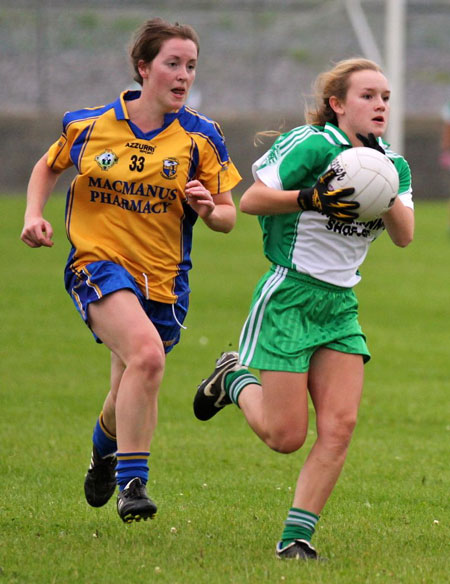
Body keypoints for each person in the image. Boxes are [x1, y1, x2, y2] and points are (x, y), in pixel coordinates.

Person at [21, 17, 241, 524]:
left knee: (129, 384)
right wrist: (35, 215)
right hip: (96, 266)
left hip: (164, 283)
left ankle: (103, 452)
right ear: (143, 68)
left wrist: (209, 209)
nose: (183, 75)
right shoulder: (90, 124)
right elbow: (48, 165)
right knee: (147, 356)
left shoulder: (202, 137)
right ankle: (132, 483)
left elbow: (229, 217)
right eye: (172, 64)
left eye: (191, 66)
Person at [193, 58, 414, 560]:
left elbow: (404, 237)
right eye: (367, 96)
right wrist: (311, 197)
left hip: (340, 305)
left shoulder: (393, 164)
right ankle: (234, 378)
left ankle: (296, 538)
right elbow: (251, 202)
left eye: (385, 97)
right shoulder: (312, 144)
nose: (380, 105)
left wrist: (379, 181)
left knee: (340, 426)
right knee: (285, 436)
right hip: (289, 294)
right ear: (337, 104)